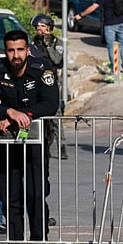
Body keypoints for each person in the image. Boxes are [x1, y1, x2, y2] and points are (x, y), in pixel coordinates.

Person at [0, 29, 60, 244]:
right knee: (10, 199)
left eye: (20, 50)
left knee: (36, 197)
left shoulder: (41, 68)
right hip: (7, 146)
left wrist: (23, 116)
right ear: (6, 51)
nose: (16, 55)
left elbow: (51, 103)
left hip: (35, 144)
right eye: (11, 50)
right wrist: (8, 113)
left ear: (27, 50)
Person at [29, 14, 68, 160]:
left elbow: (57, 60)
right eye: (38, 27)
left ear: (49, 28)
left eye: (42, 26)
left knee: (56, 115)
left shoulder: (56, 42)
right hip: (36, 81)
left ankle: (62, 146)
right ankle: (41, 144)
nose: (39, 29)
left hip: (51, 81)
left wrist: (48, 45)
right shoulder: (33, 43)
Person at [74, 0, 123, 80]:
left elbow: (93, 7)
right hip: (121, 22)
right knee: (122, 44)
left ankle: (113, 67)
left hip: (110, 24)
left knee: (111, 46)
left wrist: (81, 15)